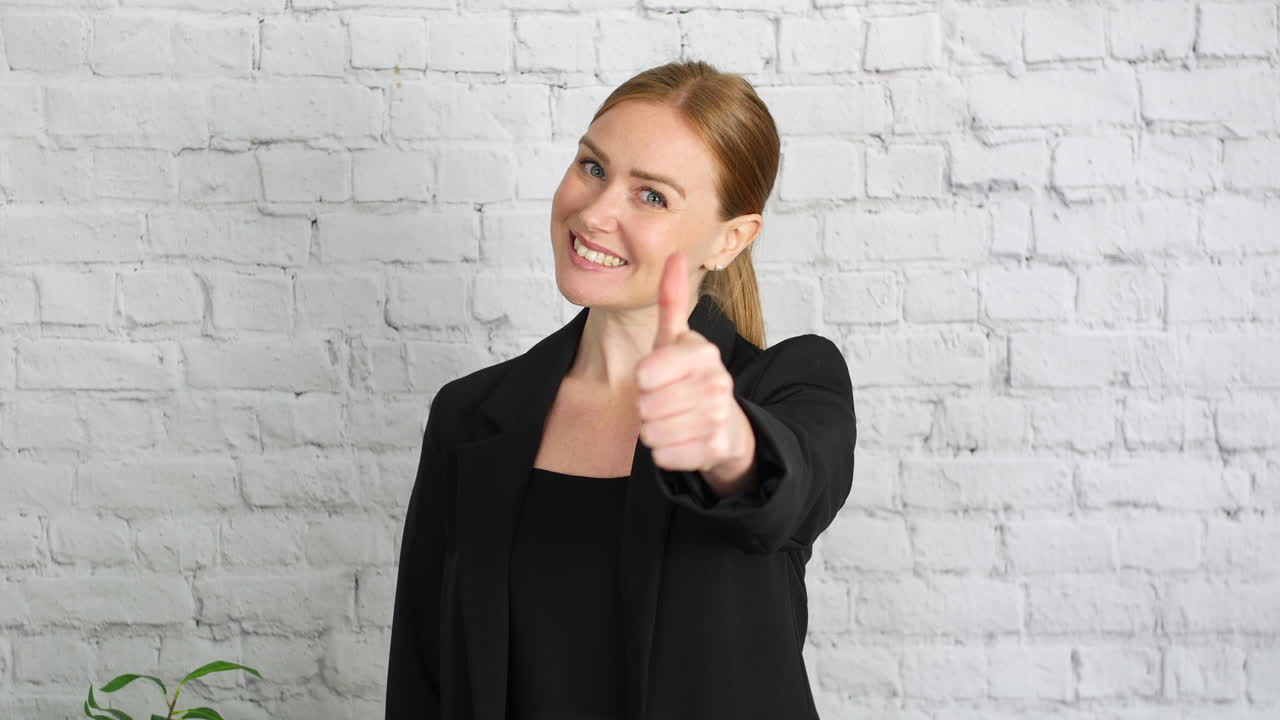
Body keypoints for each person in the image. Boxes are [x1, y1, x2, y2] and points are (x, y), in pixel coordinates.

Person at [385, 60, 857, 720]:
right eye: (593, 167)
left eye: (652, 196)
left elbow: (789, 489)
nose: (596, 212)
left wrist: (729, 446)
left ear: (730, 239)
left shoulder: (789, 386)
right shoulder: (469, 415)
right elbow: (422, 679)